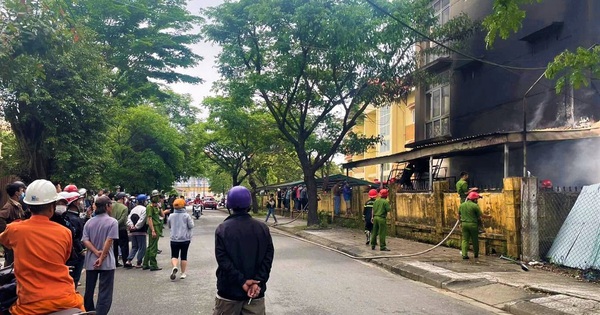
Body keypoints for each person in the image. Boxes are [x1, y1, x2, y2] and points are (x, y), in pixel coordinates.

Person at [0, 179, 84, 314]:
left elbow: (4, 241)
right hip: (66, 299)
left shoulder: (15, 229)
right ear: (52, 207)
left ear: (27, 206)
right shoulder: (65, 232)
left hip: (30, 304)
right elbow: (64, 256)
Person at [213, 186, 274, 315]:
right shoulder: (262, 228)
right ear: (249, 204)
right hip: (255, 293)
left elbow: (223, 261)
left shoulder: (222, 229)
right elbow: (268, 258)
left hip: (229, 293)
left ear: (229, 205)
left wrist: (242, 281)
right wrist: (258, 281)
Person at [82, 195, 119, 315]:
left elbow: (85, 240)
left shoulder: (89, 222)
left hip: (91, 261)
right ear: (107, 206)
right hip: (107, 261)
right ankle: (101, 313)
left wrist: (95, 251)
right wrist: (102, 256)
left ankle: (89, 311)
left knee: (89, 289)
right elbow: (109, 240)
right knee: (105, 292)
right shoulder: (112, 222)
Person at [0, 181, 27, 266]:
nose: (23, 192)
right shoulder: (9, 206)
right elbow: (1, 218)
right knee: (11, 263)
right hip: (12, 240)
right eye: (21, 190)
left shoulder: (17, 205)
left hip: (18, 238)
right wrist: (7, 233)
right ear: (16, 193)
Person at [168, 198, 194, 280]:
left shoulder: (171, 216)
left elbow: (169, 226)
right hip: (185, 239)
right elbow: (191, 226)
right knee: (183, 256)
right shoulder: (186, 216)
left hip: (174, 239)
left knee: (174, 255)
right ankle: (182, 273)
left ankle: (175, 266)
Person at [459, 191, 490, 259]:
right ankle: (476, 254)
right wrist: (489, 216)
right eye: (477, 199)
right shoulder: (475, 206)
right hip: (473, 225)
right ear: (474, 199)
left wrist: (460, 222)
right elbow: (481, 215)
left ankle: (464, 254)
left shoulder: (462, 205)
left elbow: (458, 215)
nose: (477, 200)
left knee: (465, 240)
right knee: (474, 240)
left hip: (464, 224)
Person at [142, 190, 164, 271]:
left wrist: (160, 207)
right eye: (156, 196)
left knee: (151, 246)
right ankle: (153, 265)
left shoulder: (156, 206)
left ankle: (145, 264)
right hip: (153, 228)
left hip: (157, 227)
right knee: (153, 248)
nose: (158, 198)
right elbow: (149, 219)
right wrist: (153, 230)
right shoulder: (149, 207)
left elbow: (163, 215)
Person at [126, 194, 148, 268]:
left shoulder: (133, 209)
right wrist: (136, 227)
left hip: (133, 231)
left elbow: (128, 218)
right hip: (141, 231)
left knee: (134, 247)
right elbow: (142, 220)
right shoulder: (144, 209)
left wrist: (131, 226)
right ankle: (139, 262)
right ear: (144, 201)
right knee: (142, 247)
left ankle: (128, 260)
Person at [111, 192, 130, 267]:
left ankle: (115, 262)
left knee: (114, 246)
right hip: (121, 228)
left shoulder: (111, 206)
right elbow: (122, 219)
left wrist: (112, 225)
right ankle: (126, 262)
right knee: (124, 246)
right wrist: (116, 224)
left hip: (113, 229)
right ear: (122, 198)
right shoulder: (124, 207)